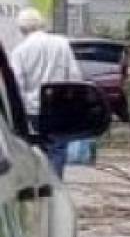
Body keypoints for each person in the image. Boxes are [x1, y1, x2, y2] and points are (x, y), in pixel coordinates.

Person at [10, 10, 82, 176]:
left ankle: (38, 187)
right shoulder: (62, 44)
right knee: (57, 149)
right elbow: (75, 76)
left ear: (21, 29)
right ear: (41, 23)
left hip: (33, 110)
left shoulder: (20, 51)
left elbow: (16, 87)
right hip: (59, 107)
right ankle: (55, 188)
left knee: (34, 150)